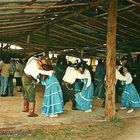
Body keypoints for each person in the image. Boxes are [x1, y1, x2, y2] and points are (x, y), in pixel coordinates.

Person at [22, 52, 53, 117]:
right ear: (40, 58)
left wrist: (38, 61)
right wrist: (50, 72)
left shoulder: (32, 59)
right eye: (43, 59)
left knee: (26, 93)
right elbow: (39, 71)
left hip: (25, 77)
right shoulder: (35, 63)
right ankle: (31, 112)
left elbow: (34, 59)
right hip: (29, 79)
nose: (45, 61)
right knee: (31, 94)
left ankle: (25, 108)